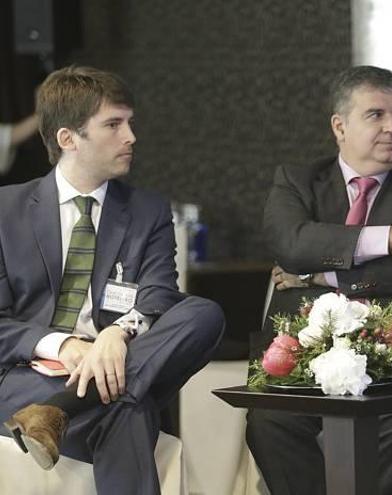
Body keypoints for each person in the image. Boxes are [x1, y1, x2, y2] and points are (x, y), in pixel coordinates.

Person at [0, 66, 225, 494]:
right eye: (113, 124)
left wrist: (117, 335)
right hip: (25, 375)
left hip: (119, 362)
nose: (131, 137)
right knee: (129, 409)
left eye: (130, 122)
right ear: (68, 139)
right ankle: (72, 401)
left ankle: (56, 411)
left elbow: (160, 294)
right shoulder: (4, 210)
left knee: (202, 312)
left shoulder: (148, 210)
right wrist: (64, 345)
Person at [246, 65, 392, 495]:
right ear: (339, 126)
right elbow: (290, 242)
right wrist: (390, 237)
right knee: (269, 423)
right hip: (302, 361)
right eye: (376, 115)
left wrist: (315, 272)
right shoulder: (297, 181)